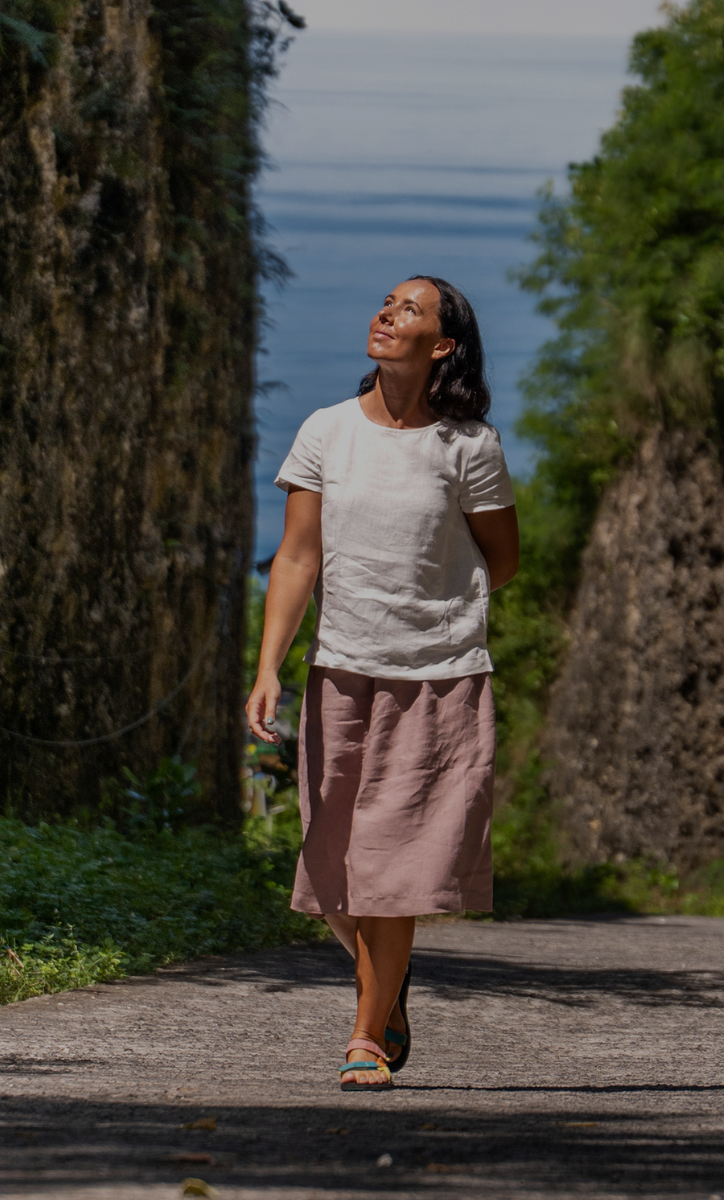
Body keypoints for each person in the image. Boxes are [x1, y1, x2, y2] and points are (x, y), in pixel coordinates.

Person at [245, 275, 519, 1091]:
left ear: (442, 346)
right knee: (335, 868)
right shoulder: (327, 432)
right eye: (385, 303)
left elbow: (500, 561)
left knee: (392, 865)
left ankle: (365, 1035)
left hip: (437, 678)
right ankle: (387, 995)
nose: (386, 313)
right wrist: (268, 668)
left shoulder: (469, 446)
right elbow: (297, 558)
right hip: (339, 672)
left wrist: (439, 610)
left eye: (409, 309)